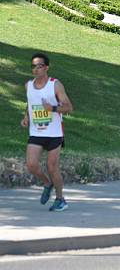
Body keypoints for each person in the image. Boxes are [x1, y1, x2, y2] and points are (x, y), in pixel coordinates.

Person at [21, 53, 73, 212]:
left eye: (39, 66)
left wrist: (53, 109)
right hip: (36, 132)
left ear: (46, 67)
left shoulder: (55, 85)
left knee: (52, 167)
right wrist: (26, 117)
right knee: (31, 165)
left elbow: (69, 108)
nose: (36, 69)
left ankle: (60, 199)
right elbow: (30, 103)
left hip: (54, 133)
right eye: (33, 66)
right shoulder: (28, 85)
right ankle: (46, 183)